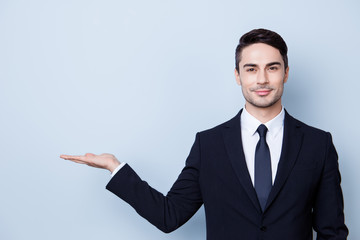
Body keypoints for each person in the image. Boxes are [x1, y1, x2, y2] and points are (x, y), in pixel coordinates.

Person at [60, 28, 348, 240]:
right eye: (251, 69)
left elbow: (331, 232)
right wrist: (115, 167)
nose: (262, 79)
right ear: (238, 76)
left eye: (272, 68)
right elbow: (169, 215)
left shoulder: (317, 144)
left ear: (285, 73)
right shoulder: (209, 144)